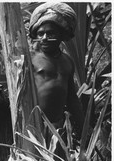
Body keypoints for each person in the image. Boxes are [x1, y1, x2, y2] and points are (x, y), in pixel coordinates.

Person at [29, 2, 84, 136]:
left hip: (57, 129)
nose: (44, 38)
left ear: (61, 34)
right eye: (40, 34)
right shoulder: (30, 59)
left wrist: (84, 129)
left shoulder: (67, 61)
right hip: (32, 128)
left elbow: (71, 98)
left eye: (50, 33)